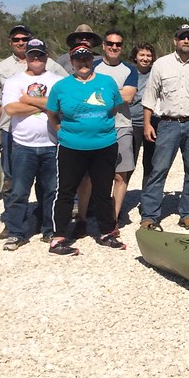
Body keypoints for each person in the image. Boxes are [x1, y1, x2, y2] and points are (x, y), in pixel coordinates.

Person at [45, 44, 125, 255]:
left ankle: (106, 231)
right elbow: (52, 113)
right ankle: (59, 237)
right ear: (72, 63)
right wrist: (61, 130)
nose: (83, 62)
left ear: (93, 61)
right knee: (66, 191)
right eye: (78, 59)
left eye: (87, 58)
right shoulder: (61, 86)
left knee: (102, 189)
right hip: (72, 146)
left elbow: (114, 108)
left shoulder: (106, 82)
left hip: (104, 145)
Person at [0, 23, 67, 235]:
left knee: (51, 190)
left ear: (46, 56)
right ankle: (16, 231)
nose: (36, 59)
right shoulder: (14, 79)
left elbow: (61, 104)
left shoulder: (58, 80)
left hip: (52, 144)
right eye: (32, 55)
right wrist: (44, 104)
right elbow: (11, 108)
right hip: (22, 144)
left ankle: (50, 229)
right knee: (19, 190)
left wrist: (27, 100)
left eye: (40, 55)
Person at [139, 24, 189, 231]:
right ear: (175, 40)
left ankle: (188, 213)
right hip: (168, 124)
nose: (186, 41)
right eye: (182, 37)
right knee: (158, 169)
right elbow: (150, 96)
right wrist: (146, 124)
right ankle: (149, 215)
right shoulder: (161, 64)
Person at [95, 29, 138, 226]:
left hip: (122, 126)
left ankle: (113, 217)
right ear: (103, 45)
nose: (114, 47)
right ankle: (87, 215)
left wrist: (99, 93)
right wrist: (117, 92)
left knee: (120, 175)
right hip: (95, 127)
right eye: (110, 43)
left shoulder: (130, 70)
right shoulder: (93, 67)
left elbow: (128, 97)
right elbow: (83, 93)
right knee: (93, 176)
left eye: (118, 44)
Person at [129, 42, 157, 188]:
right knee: (128, 164)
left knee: (150, 163)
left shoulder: (156, 73)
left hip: (152, 123)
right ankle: (118, 200)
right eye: (142, 55)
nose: (145, 58)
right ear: (135, 56)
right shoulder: (129, 72)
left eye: (148, 55)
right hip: (132, 123)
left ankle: (147, 200)